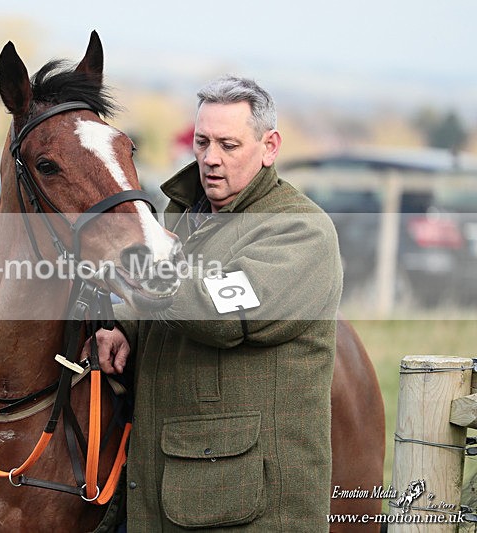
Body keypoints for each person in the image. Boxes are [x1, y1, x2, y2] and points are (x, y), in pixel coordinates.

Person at [92, 76, 343, 531]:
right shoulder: (186, 215)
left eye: (229, 144)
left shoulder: (301, 232)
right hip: (168, 492)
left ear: (269, 147)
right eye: (202, 141)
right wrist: (123, 327)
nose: (210, 158)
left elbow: (219, 311)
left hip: (248, 509)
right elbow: (163, 308)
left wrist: (138, 263)